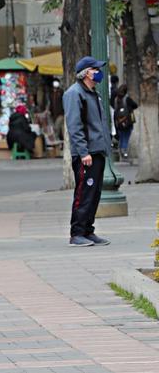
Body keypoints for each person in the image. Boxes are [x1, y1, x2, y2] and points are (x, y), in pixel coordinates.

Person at [63, 56, 112, 247]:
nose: (99, 72)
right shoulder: (75, 94)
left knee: (94, 193)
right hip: (87, 153)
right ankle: (77, 232)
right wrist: (83, 152)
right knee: (84, 193)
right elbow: (75, 126)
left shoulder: (93, 93)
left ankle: (88, 230)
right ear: (86, 73)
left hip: (97, 150)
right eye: (95, 69)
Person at [112, 84, 138, 160]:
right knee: (126, 137)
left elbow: (115, 110)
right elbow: (135, 105)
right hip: (127, 122)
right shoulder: (127, 99)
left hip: (119, 122)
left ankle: (121, 152)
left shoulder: (116, 99)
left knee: (122, 137)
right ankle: (124, 153)